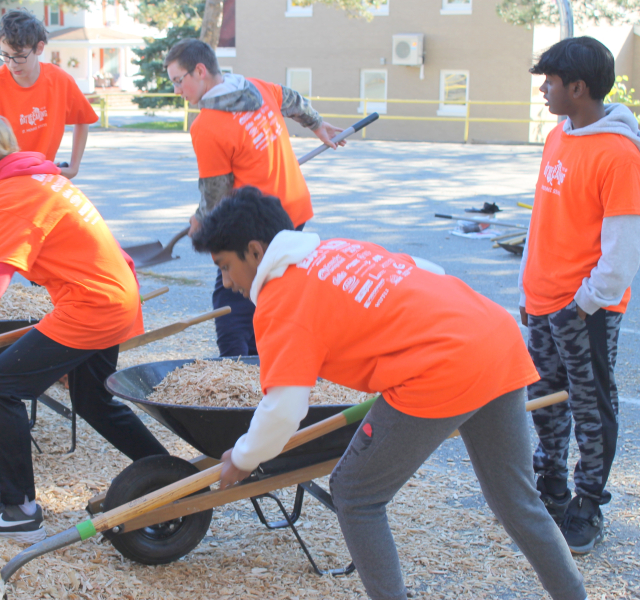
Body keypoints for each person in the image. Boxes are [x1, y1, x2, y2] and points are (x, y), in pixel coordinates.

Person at [192, 187, 588, 600]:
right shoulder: (336, 249)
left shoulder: (280, 300)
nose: (226, 281)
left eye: (224, 266)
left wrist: (242, 457)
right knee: (517, 498)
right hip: (491, 333)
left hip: (441, 368)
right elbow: (426, 269)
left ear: (255, 252)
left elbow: (284, 407)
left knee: (355, 492)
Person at [0, 112, 167, 542]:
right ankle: (169, 476)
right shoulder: (39, 179)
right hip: (113, 295)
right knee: (94, 399)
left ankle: (18, 510)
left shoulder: (14, 194)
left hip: (91, 305)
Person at [518, 36, 640, 554]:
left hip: (583, 308)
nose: (543, 89)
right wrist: (527, 286)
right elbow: (543, 221)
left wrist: (586, 302)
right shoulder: (557, 135)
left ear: (579, 87)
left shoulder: (619, 153)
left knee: (591, 406)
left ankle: (587, 503)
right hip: (542, 301)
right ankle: (551, 487)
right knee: (543, 400)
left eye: (550, 81)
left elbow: (622, 246)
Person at [164, 38, 342, 357]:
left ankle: (238, 375)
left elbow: (216, 194)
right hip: (294, 211)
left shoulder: (207, 126)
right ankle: (272, 364)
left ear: (200, 71)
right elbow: (293, 100)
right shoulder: (256, 88)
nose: (178, 91)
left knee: (231, 301)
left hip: (258, 227)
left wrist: (200, 221)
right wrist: (316, 124)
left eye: (178, 81)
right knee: (273, 294)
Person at [0, 9, 99, 278]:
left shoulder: (59, 80)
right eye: (5, 55)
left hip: (38, 189)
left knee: (51, 275)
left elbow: (82, 118)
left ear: (39, 48)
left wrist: (74, 164)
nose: (12, 63)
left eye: (19, 56)